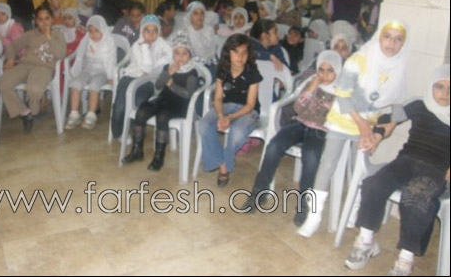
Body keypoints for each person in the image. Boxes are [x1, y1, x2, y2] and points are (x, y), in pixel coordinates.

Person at [298, 20, 410, 238]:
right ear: (379, 37)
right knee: (327, 164)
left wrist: (384, 130)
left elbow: (398, 105)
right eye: (387, 37)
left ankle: (353, 212)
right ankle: (314, 217)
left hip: (368, 125)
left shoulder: (399, 67)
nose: (392, 43)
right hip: (344, 117)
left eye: (398, 39)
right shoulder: (359, 59)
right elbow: (342, 95)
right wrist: (364, 126)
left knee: (360, 169)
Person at [345, 64, 450, 277]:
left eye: (450, 89)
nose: (445, 93)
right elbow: (389, 119)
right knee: (374, 184)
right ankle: (366, 241)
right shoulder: (419, 104)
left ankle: (405, 259)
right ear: (431, 86)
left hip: (435, 169)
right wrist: (376, 135)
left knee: (416, 197)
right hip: (406, 162)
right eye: (439, 87)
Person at [242, 50, 343, 226]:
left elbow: (336, 118)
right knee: (273, 146)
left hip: (320, 131)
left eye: (330, 71)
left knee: (311, 157)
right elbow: (297, 108)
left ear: (338, 71)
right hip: (299, 123)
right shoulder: (312, 83)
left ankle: (304, 204)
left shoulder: (341, 91)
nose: (325, 75)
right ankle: (259, 192)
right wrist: (311, 88)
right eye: (321, 70)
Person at [123, 37, 199, 170]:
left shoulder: (192, 72)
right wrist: (168, 73)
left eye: (184, 53)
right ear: (173, 54)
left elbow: (188, 94)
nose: (180, 57)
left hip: (181, 105)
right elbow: (158, 86)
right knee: (142, 110)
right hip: (164, 99)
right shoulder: (168, 67)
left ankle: (159, 156)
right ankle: (137, 150)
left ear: (190, 55)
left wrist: (172, 85)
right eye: (177, 53)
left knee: (162, 116)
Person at [199, 34, 262, 186]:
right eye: (236, 52)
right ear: (228, 53)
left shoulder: (252, 73)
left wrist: (230, 118)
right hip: (226, 106)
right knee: (204, 125)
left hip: (248, 111)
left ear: (248, 54)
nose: (240, 57)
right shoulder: (223, 70)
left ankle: (224, 166)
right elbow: (218, 98)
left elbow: (250, 105)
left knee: (237, 132)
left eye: (244, 53)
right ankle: (223, 165)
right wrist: (221, 115)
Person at [0, 4, 66, 133]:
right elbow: (12, 46)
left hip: (44, 68)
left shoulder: (57, 34)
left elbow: (60, 55)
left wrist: (49, 37)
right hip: (25, 65)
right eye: (40, 19)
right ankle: (25, 112)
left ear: (52, 20)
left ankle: (34, 110)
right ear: (36, 21)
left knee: (34, 89)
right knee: (3, 83)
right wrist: (11, 59)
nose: (44, 22)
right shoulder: (30, 34)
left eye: (47, 18)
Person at [110, 15, 172, 140]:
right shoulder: (137, 45)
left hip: (147, 82)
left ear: (159, 32)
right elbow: (146, 68)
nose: (151, 34)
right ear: (142, 31)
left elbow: (170, 57)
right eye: (147, 31)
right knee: (121, 104)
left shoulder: (162, 43)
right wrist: (145, 47)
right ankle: (118, 133)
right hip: (130, 77)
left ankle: (132, 129)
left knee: (137, 101)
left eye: (155, 31)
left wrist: (154, 65)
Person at [65, 16, 116, 130]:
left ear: (103, 30)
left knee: (94, 85)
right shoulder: (87, 40)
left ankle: (91, 115)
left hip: (102, 71)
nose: (93, 34)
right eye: (91, 31)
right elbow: (80, 56)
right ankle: (74, 114)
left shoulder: (109, 42)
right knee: (76, 84)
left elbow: (111, 61)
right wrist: (77, 70)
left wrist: (110, 76)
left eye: (97, 31)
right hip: (88, 69)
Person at [182, 2, 217, 70]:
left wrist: (205, 61)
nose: (199, 16)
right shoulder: (185, 32)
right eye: (195, 13)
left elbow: (213, 50)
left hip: (208, 63)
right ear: (190, 16)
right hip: (191, 65)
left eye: (202, 13)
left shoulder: (209, 30)